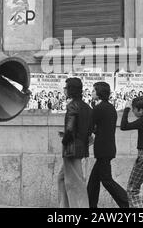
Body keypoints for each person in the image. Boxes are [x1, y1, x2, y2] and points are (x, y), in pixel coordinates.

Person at [87, 82, 129, 208]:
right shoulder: (110, 108)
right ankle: (90, 205)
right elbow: (102, 128)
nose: (92, 93)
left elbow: (90, 126)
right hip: (108, 148)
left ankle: (127, 202)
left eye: (94, 91)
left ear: (99, 92)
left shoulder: (99, 108)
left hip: (102, 149)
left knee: (106, 180)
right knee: (94, 181)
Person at [57, 77, 93, 208]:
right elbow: (89, 129)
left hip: (72, 148)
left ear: (71, 89)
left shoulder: (72, 105)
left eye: (66, 88)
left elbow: (70, 129)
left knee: (74, 183)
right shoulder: (87, 107)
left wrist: (65, 139)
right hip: (81, 146)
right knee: (61, 179)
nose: (64, 90)